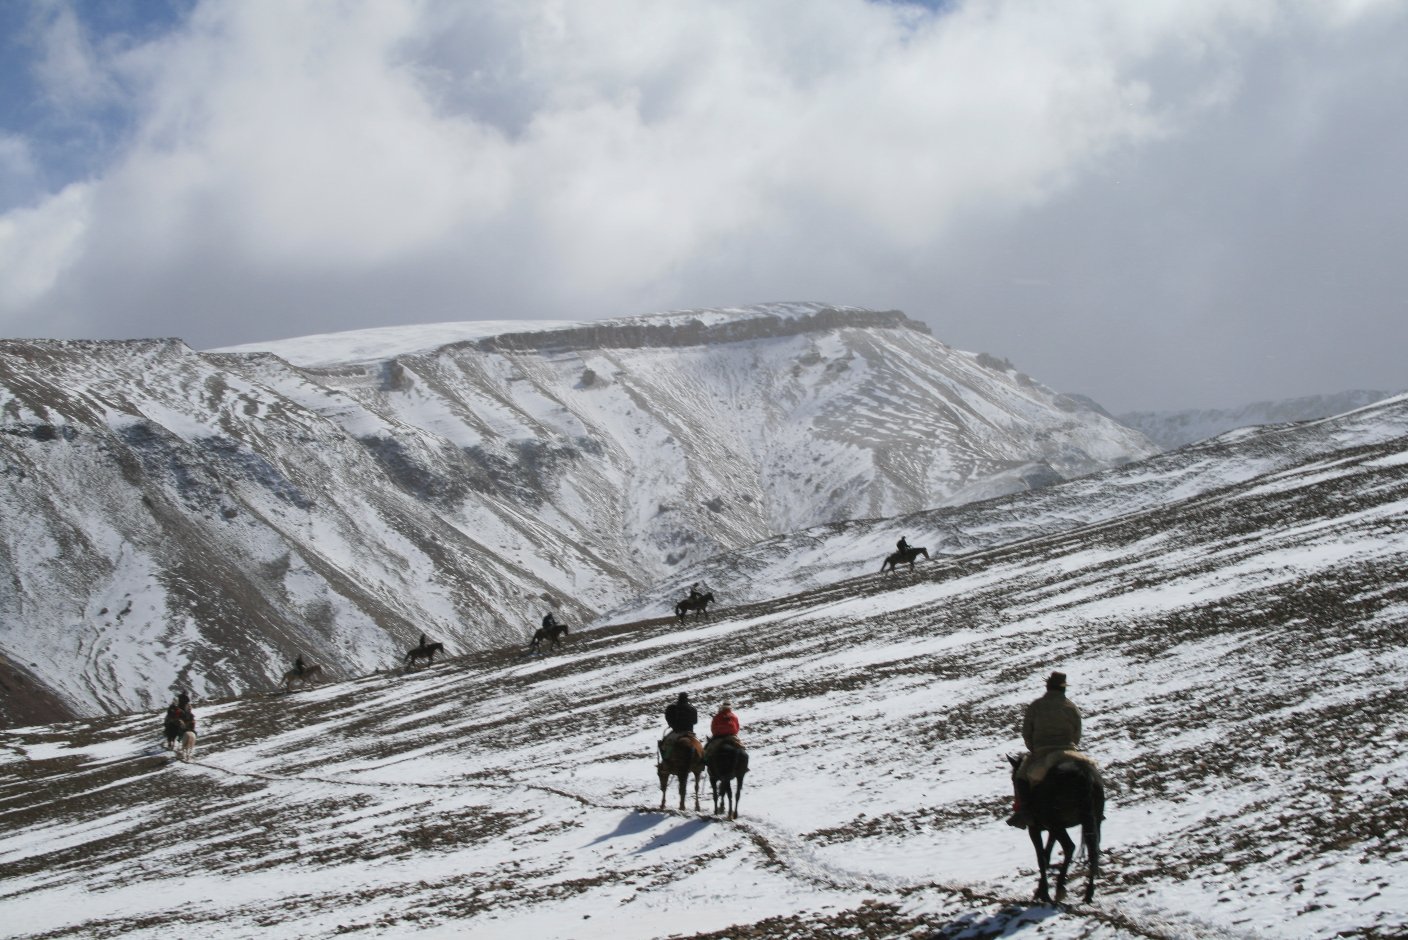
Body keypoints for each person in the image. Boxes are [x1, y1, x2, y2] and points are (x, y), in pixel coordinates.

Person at [1007, 671, 1083, 828]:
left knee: (1021, 777)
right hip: (1070, 750)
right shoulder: (1071, 707)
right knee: (1094, 774)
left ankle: (1024, 813)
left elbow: (1027, 733)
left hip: (1043, 752)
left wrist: (1034, 749)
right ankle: (1097, 809)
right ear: (1063, 689)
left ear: (1048, 687)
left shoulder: (1036, 706)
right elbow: (1077, 733)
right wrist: (1071, 747)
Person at [660, 692, 699, 761]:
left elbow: (668, 717)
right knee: (698, 746)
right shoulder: (692, 709)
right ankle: (700, 761)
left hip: (676, 732)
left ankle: (665, 761)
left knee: (665, 744)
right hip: (689, 732)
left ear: (679, 698)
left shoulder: (672, 708)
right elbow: (695, 721)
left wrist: (672, 724)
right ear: (687, 699)